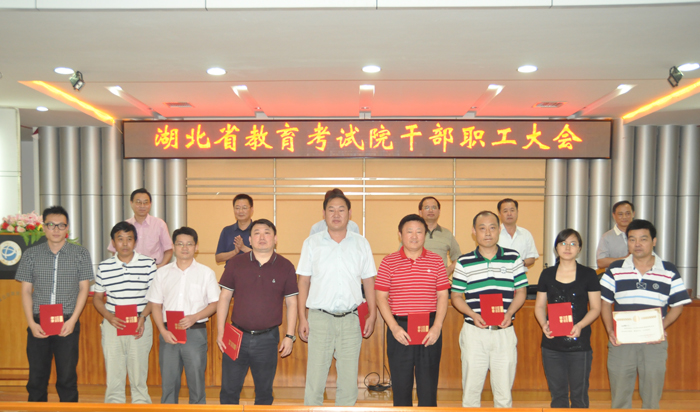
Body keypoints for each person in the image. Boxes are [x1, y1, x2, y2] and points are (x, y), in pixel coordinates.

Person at [297, 188, 377, 406]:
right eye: (331, 210)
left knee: (349, 382)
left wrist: (372, 314)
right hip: (319, 318)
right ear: (324, 214)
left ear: (349, 214)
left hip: (351, 319)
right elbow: (303, 281)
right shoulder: (311, 243)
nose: (336, 214)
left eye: (341, 210)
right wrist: (302, 317)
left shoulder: (361, 243)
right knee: (315, 380)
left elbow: (369, 281)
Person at [600, 219, 691, 409]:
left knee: (651, 396)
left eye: (643, 239)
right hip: (621, 341)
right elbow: (605, 304)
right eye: (632, 239)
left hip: (654, 342)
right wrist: (610, 331)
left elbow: (678, 306)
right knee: (619, 396)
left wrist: (660, 327)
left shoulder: (668, 270)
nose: (637, 244)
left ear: (654, 241)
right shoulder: (615, 269)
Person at [15, 205, 93, 402]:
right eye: (51, 225)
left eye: (61, 225)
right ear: (44, 227)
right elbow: (26, 291)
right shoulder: (31, 254)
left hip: (67, 321)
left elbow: (84, 289)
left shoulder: (81, 254)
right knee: (37, 377)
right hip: (38, 321)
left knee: (67, 377)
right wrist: (31, 323)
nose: (56, 229)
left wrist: (73, 321)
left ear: (67, 228)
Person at [450, 211, 528, 408]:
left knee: (503, 395)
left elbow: (521, 291)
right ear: (474, 231)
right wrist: (472, 314)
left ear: (499, 230)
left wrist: (509, 313)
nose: (487, 233)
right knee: (471, 393)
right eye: (482, 228)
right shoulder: (464, 261)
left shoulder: (513, 257)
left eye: (492, 228)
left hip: (504, 332)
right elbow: (456, 296)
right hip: (474, 333)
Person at [217, 218, 299, 405]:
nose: (262, 237)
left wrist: (289, 336)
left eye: (267, 233)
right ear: (250, 239)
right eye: (257, 233)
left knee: (264, 393)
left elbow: (292, 302)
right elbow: (224, 297)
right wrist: (220, 331)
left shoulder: (286, 266)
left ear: (275, 239)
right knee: (229, 391)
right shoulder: (236, 263)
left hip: (267, 339)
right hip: (235, 335)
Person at [375, 214, 450, 407]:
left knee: (428, 389)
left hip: (429, 329)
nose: (414, 236)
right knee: (401, 389)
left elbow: (443, 295)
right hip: (399, 329)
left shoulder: (436, 261)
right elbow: (381, 297)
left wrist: (437, 327)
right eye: (409, 231)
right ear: (400, 235)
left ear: (425, 235)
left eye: (419, 232)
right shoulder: (388, 262)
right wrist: (393, 327)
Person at [146, 227, 220, 404]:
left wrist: (195, 317)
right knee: (169, 383)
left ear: (196, 247)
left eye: (189, 244)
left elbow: (215, 303)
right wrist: (162, 331)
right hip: (168, 332)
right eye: (180, 244)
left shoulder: (206, 273)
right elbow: (155, 304)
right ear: (173, 246)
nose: (184, 248)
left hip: (195, 332)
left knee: (196, 382)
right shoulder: (162, 273)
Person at [534, 228, 601, 408]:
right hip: (551, 344)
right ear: (556, 248)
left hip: (579, 343)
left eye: (573, 244)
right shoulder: (547, 274)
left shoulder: (589, 274)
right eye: (563, 243)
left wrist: (580, 325)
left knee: (579, 396)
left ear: (579, 249)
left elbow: (596, 308)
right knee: (558, 396)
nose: (568, 247)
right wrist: (544, 324)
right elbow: (539, 306)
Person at [93, 221, 157, 404]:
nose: (125, 243)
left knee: (139, 375)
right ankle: (114, 405)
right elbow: (97, 298)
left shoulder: (148, 263)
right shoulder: (104, 266)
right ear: (113, 243)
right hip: (113, 323)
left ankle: (141, 405)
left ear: (135, 241)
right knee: (114, 375)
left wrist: (143, 317)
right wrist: (109, 317)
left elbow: (154, 296)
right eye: (120, 239)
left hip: (140, 323)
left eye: (129, 239)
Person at [108, 188, 173, 268]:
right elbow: (115, 250)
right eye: (138, 202)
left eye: (145, 202)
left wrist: (160, 267)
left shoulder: (159, 224)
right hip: (130, 269)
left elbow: (168, 250)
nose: (142, 206)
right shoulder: (124, 226)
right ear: (131, 203)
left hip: (154, 269)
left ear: (150, 204)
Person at [417, 196, 461, 277]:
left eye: (434, 207)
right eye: (427, 208)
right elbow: (401, 257)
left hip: (440, 280)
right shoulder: (413, 234)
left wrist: (449, 270)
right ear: (420, 212)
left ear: (439, 211)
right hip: (417, 279)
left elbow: (458, 258)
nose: (431, 210)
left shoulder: (447, 234)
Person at [497, 198, 539, 270]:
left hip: (520, 274)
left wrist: (520, 263)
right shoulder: (494, 233)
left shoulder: (526, 234)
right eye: (505, 211)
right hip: (498, 274)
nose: (509, 214)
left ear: (517, 212)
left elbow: (532, 258)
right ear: (499, 214)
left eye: (512, 210)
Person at [215, 194, 254, 266]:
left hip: (253, 271)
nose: (241, 211)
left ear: (251, 210)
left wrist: (243, 248)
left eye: (244, 208)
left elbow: (264, 256)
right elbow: (218, 258)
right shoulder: (227, 231)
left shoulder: (258, 230)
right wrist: (235, 252)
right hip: (231, 272)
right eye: (237, 208)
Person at [596, 200, 635, 270]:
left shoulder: (641, 235)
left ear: (633, 214)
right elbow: (601, 262)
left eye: (628, 213)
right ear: (614, 215)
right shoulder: (607, 237)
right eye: (620, 214)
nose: (624, 217)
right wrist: (625, 259)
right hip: (615, 275)